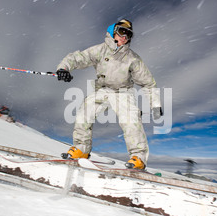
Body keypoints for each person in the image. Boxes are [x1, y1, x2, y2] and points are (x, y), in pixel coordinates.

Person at [56, 19, 163, 170]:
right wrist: (64, 68)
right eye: (122, 32)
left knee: (130, 120)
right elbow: (78, 57)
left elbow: (148, 82)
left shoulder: (133, 59)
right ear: (113, 32)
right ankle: (81, 149)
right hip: (102, 89)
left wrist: (155, 104)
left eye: (128, 35)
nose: (125, 37)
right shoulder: (100, 50)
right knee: (84, 113)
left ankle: (138, 157)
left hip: (123, 92)